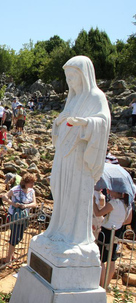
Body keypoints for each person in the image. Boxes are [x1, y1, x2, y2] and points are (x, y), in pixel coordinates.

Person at [43, 56, 111, 246]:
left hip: (79, 156)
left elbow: (103, 121)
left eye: (73, 76)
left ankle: (71, 235)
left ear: (84, 75)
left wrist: (86, 122)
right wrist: (57, 122)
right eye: (67, 77)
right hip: (63, 153)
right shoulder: (72, 99)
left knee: (73, 193)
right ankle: (58, 228)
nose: (70, 81)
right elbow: (62, 122)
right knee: (58, 188)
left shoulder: (96, 96)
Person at [93, 189, 132, 288]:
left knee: (101, 259)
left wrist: (93, 202)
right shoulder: (127, 205)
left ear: (119, 192)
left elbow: (98, 213)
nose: (110, 192)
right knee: (112, 260)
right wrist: (117, 222)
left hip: (106, 231)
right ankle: (106, 285)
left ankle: (100, 285)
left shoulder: (114, 203)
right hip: (117, 231)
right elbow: (128, 220)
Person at [2, 173, 37, 264]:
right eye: (31, 182)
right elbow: (4, 196)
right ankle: (8, 258)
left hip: (24, 216)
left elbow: (34, 204)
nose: (33, 184)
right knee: (14, 236)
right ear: (26, 182)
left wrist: (25, 205)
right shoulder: (16, 189)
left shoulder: (31, 191)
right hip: (15, 216)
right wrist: (13, 204)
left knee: (19, 236)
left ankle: (11, 254)